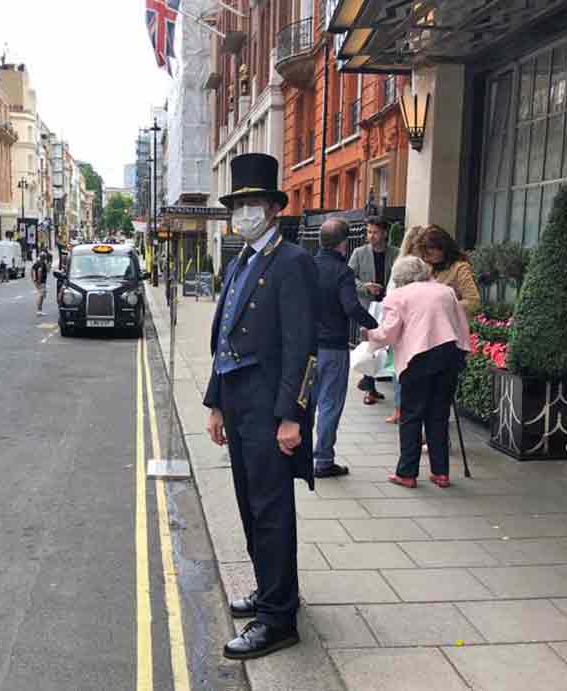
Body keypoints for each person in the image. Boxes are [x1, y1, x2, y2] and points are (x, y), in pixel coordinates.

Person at [203, 153, 317, 660]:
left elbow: (302, 346)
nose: (244, 212)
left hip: (271, 408)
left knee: (271, 509)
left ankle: (278, 620)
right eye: (238, 204)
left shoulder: (293, 262)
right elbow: (224, 335)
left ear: (273, 208)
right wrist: (215, 402)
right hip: (237, 400)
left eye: (252, 203)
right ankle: (275, 591)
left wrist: (292, 414)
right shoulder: (240, 260)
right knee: (251, 506)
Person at [365, 256, 471, 489]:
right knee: (438, 414)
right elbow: (461, 324)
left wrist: (370, 335)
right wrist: (463, 351)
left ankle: (407, 473)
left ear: (400, 277)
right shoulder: (445, 292)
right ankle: (441, 472)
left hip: (418, 358)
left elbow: (389, 333)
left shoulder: (398, 296)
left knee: (412, 414)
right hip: (448, 355)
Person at [313, 219, 378, 478]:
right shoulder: (342, 272)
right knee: (330, 404)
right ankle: (324, 460)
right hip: (333, 348)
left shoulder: (306, 266)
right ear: (342, 244)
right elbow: (351, 307)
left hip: (306, 348)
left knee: (305, 402)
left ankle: (297, 453)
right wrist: (373, 325)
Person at [348, 216, 400, 404]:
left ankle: (371, 381)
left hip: (390, 306)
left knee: (384, 345)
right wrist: (365, 286)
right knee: (370, 345)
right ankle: (369, 388)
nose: (371, 236)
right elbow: (348, 278)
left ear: (384, 233)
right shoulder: (359, 253)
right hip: (367, 306)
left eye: (375, 232)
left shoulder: (396, 253)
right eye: (369, 232)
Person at [384, 225, 427, 425]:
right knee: (399, 368)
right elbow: (391, 293)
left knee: (402, 367)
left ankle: (404, 410)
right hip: (405, 325)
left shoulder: (424, 265)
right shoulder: (403, 264)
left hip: (412, 326)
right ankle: (400, 408)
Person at [421, 225, 481, 319]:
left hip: (449, 325)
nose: (428, 254)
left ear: (443, 247)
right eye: (425, 250)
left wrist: (444, 307)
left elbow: (473, 301)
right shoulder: (425, 268)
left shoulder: (459, 268)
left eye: (431, 249)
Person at [32, 250, 49, 316]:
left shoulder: (37, 262)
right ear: (44, 258)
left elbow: (32, 270)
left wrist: (33, 279)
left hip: (38, 281)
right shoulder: (42, 263)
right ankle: (39, 310)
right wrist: (39, 280)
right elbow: (39, 271)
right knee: (41, 296)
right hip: (41, 282)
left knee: (40, 295)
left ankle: (39, 310)